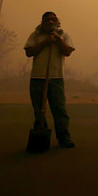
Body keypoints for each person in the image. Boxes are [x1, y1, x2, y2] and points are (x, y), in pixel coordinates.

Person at [24, 11, 76, 148]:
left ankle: (64, 138)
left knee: (60, 109)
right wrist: (46, 42)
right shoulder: (35, 35)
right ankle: (41, 137)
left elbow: (67, 52)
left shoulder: (63, 35)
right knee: (39, 110)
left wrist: (58, 40)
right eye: (47, 20)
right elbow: (29, 52)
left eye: (53, 19)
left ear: (58, 21)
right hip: (37, 78)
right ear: (42, 22)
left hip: (56, 78)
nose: (51, 22)